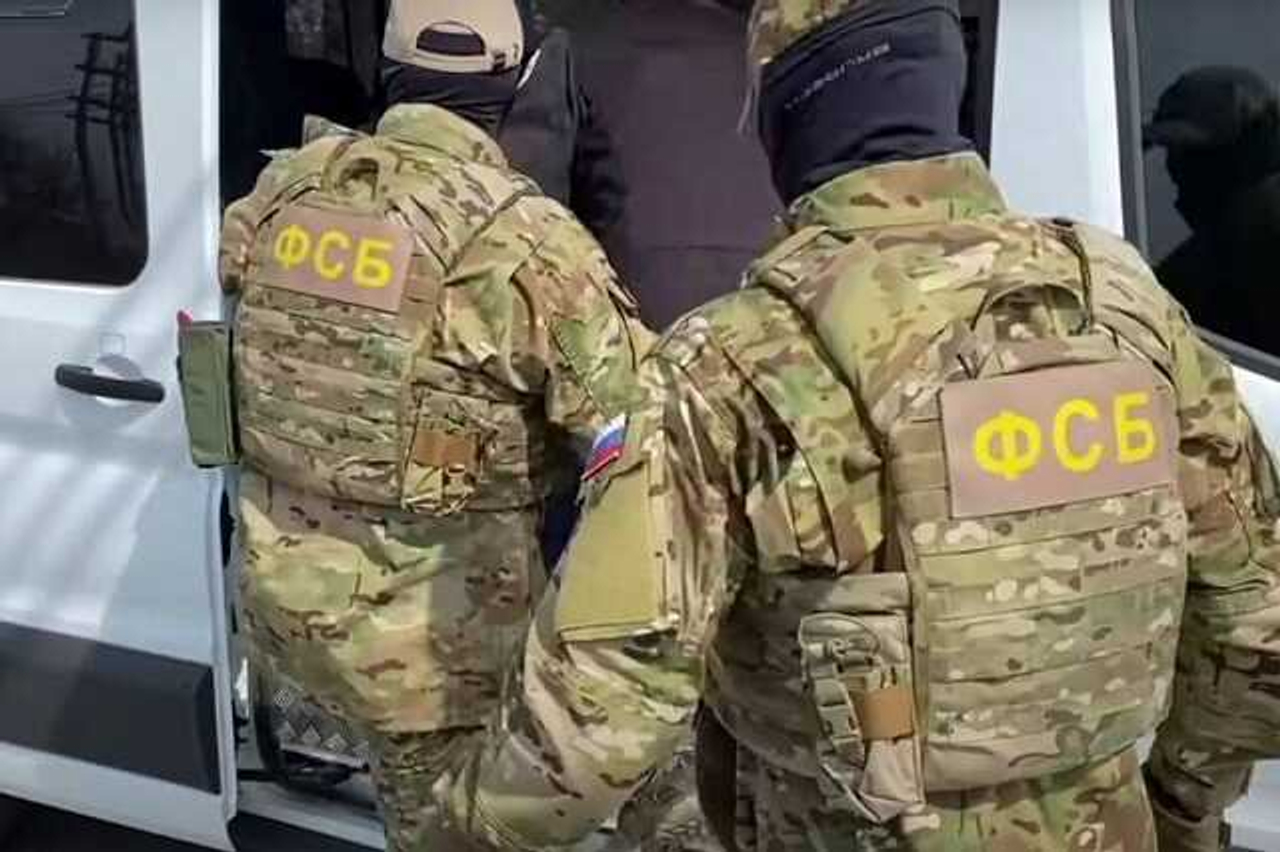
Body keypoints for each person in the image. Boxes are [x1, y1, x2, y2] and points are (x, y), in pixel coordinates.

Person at [429, 2, 1280, 851]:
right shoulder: (1131, 315)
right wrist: (1177, 807)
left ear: (785, 118)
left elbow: (593, 720)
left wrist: (454, 828)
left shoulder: (731, 365)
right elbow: (1254, 631)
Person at [218, 0, 649, 849]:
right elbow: (634, 428)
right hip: (437, 653)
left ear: (387, 75)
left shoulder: (279, 194)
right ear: (517, 85)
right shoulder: (524, 239)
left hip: (295, 617)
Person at [1146, 65, 1280, 354]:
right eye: (1171, 153)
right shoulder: (1193, 270)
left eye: (1189, 152)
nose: (1174, 168)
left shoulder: (1238, 242)